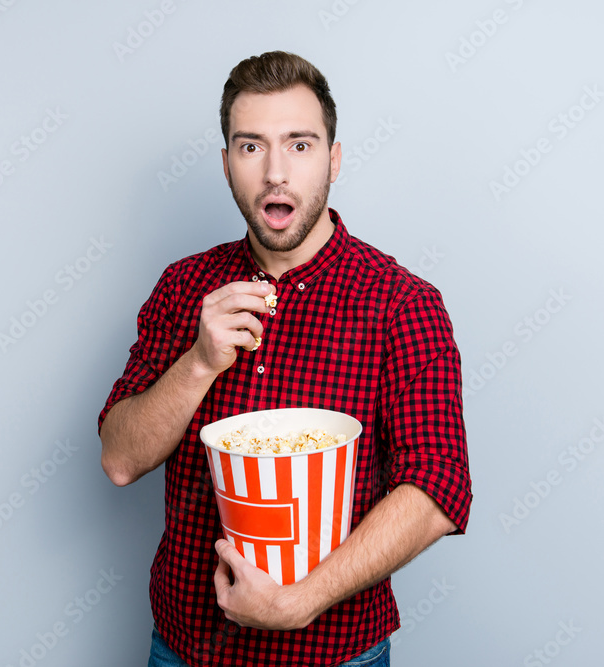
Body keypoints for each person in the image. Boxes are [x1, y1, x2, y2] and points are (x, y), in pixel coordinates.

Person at [99, 50, 472, 667]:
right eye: (252, 147)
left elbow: (437, 485)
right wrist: (198, 361)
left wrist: (302, 600)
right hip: (186, 649)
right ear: (225, 165)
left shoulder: (402, 303)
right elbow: (119, 459)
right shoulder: (183, 285)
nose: (276, 172)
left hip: (334, 653)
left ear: (334, 157)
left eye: (299, 145)